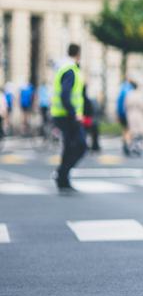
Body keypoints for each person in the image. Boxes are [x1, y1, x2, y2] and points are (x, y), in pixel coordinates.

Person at [52, 44, 86, 192]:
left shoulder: (64, 68)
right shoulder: (71, 70)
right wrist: (74, 114)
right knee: (80, 145)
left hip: (62, 115)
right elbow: (65, 95)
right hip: (67, 116)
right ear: (78, 54)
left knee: (69, 147)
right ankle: (62, 174)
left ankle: (63, 178)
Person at [124, 81, 143, 157]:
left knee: (133, 131)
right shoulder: (140, 94)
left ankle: (132, 147)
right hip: (139, 114)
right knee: (140, 132)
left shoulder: (129, 94)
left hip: (131, 114)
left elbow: (126, 105)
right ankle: (138, 147)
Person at [117, 79, 133, 156]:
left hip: (122, 113)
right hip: (128, 113)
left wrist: (119, 113)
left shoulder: (122, 90)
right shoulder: (131, 90)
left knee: (124, 129)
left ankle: (124, 143)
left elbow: (119, 103)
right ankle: (127, 144)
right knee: (128, 129)